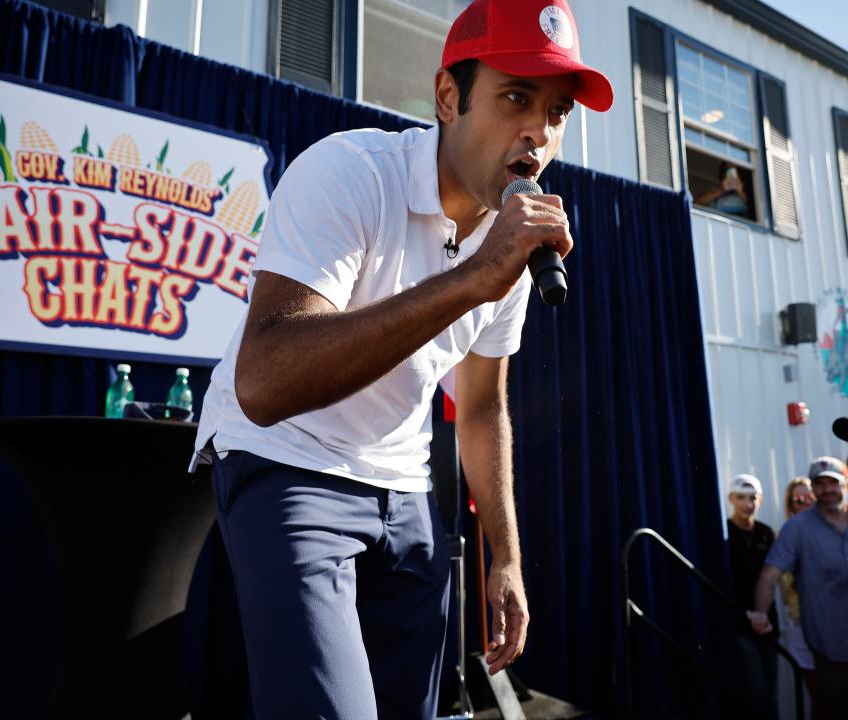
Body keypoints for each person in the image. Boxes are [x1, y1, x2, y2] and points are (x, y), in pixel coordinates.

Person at [189, 1, 614, 718]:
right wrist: (471, 281)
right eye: (516, 98)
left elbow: (481, 405)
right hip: (288, 459)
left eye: (558, 112)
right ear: (448, 97)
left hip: (401, 486)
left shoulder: (509, 242)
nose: (538, 132)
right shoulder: (351, 172)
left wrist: (506, 555)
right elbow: (262, 380)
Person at [748, 457, 848, 719]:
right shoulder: (797, 529)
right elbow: (770, 574)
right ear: (813, 488)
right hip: (834, 654)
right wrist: (760, 612)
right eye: (820, 484)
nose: (827, 489)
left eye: (834, 482)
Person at [725, 474, 778, 719]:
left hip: (767, 624)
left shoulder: (766, 533)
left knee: (770, 691)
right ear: (731, 500)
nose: (748, 503)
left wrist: (762, 615)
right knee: (754, 690)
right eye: (741, 498)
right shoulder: (724, 535)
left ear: (761, 500)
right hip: (739, 624)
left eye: (753, 498)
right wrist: (744, 613)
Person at [777, 477, 817, 712]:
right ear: (791, 505)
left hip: (837, 626)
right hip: (803, 623)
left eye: (809, 497)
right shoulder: (787, 536)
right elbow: (788, 583)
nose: (805, 503)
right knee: (819, 696)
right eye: (798, 499)